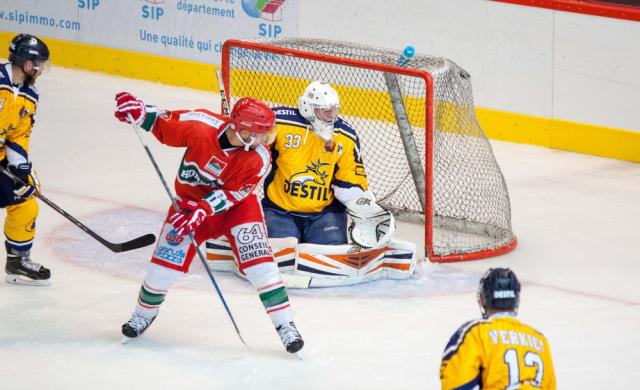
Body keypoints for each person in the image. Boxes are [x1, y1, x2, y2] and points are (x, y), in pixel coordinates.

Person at [113, 92, 304, 354]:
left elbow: (236, 193)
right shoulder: (202, 126)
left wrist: (203, 210)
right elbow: (165, 123)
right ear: (242, 130)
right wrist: (140, 113)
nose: (265, 140)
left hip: (237, 210)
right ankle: (143, 314)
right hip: (187, 209)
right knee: (163, 267)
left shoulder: (260, 156)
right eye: (260, 134)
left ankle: (285, 326)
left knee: (261, 267)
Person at [263, 81, 395, 248]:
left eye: (333, 111)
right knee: (279, 250)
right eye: (325, 111)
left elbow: (349, 178)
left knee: (331, 250)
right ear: (308, 107)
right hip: (279, 210)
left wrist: (365, 208)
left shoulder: (345, 135)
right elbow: (251, 145)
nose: (331, 116)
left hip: (325, 213)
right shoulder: (280, 123)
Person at [440, 268, 557, 389]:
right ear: (516, 300)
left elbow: (458, 384)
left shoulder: (475, 334)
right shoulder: (540, 340)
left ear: (482, 299)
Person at [0, 34, 51, 286]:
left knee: (26, 198)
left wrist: (20, 169)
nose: (42, 69)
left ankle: (17, 260)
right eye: (39, 63)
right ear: (26, 63)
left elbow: (19, 135)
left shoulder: (29, 94)